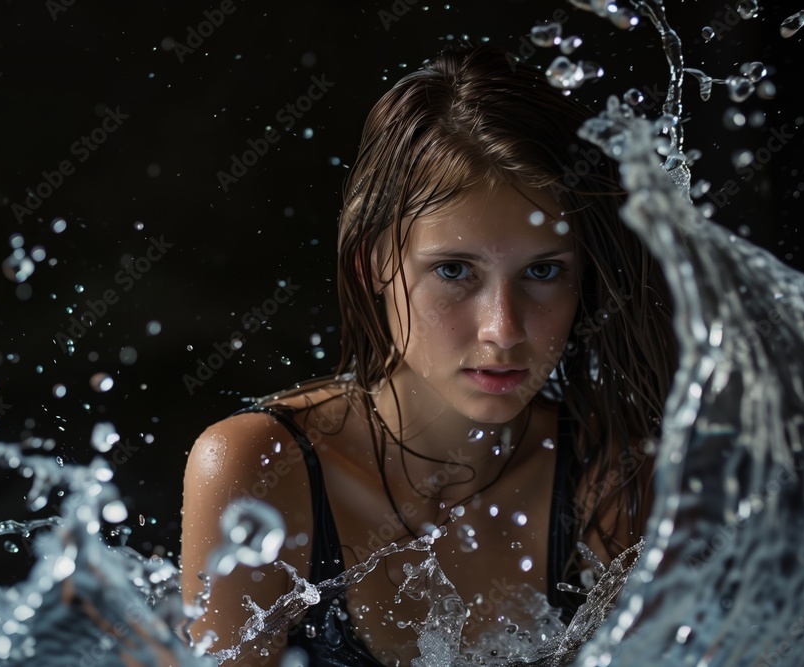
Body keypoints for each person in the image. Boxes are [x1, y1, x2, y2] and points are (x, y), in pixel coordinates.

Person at [181, 42, 677, 666]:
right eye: (454, 270)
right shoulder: (259, 469)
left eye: (543, 271)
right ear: (372, 266)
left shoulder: (615, 479)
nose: (503, 330)